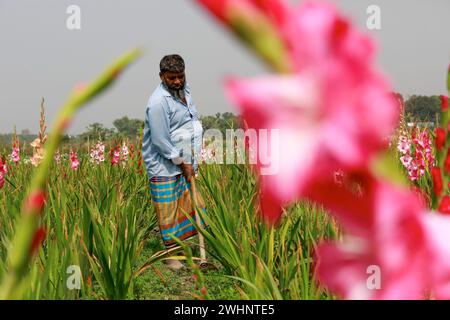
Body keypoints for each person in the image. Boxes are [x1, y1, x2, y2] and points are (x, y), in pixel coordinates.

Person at [142, 54, 206, 270]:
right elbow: (160, 141)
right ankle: (173, 259)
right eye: (172, 78)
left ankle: (192, 250)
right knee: (168, 209)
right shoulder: (158, 103)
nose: (177, 81)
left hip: (186, 159)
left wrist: (191, 158)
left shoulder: (184, 91)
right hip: (165, 164)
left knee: (189, 205)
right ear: (161, 77)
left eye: (180, 76)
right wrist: (182, 162)